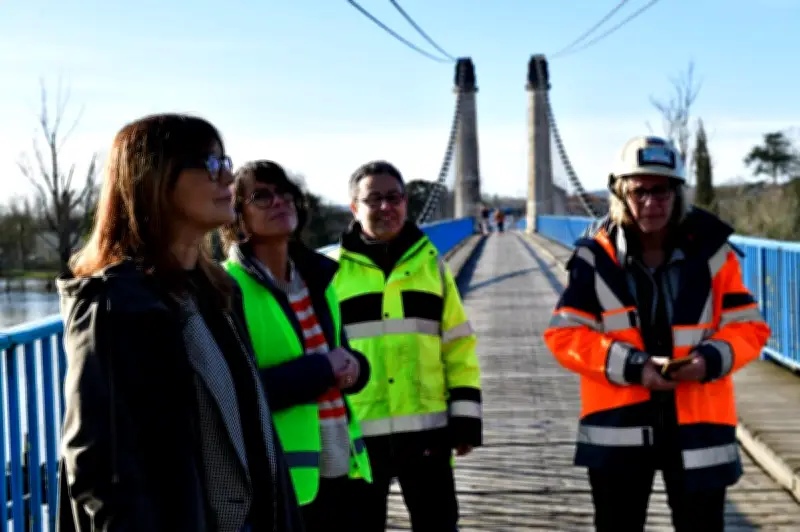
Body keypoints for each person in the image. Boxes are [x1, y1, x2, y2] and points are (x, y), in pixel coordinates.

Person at [56, 114, 303, 532]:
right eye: (210, 164)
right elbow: (100, 470)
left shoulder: (218, 291)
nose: (228, 178)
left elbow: (253, 434)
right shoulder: (115, 303)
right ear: (155, 179)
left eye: (226, 162)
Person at [543, 135, 771, 531]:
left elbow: (749, 328)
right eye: (639, 191)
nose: (651, 202)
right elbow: (565, 337)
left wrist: (708, 360)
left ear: (677, 193)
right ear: (620, 193)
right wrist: (635, 368)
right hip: (618, 430)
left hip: (700, 428)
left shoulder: (715, 255)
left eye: (662, 190)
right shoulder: (594, 259)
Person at [326, 160, 483, 532]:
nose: (386, 207)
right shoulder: (327, 272)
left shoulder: (434, 268)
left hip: (427, 430)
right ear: (354, 207)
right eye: (374, 198)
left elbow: (458, 345)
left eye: (394, 197)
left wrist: (465, 419)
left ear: (406, 203)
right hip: (357, 435)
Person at [220, 160, 372, 531]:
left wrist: (356, 367)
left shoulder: (318, 278)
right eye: (262, 196)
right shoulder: (226, 288)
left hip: (342, 464)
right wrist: (323, 370)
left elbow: (342, 352)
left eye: (285, 194)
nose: (280, 202)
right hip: (279, 481)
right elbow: (231, 393)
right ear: (237, 217)